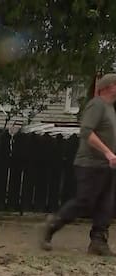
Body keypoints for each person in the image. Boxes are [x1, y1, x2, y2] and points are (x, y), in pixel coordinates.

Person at [41, 73, 116, 255]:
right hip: (89, 164)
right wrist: (107, 152)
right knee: (85, 201)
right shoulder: (96, 104)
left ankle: (98, 243)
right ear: (108, 87)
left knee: (105, 205)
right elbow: (86, 131)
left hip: (107, 165)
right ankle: (50, 227)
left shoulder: (110, 108)